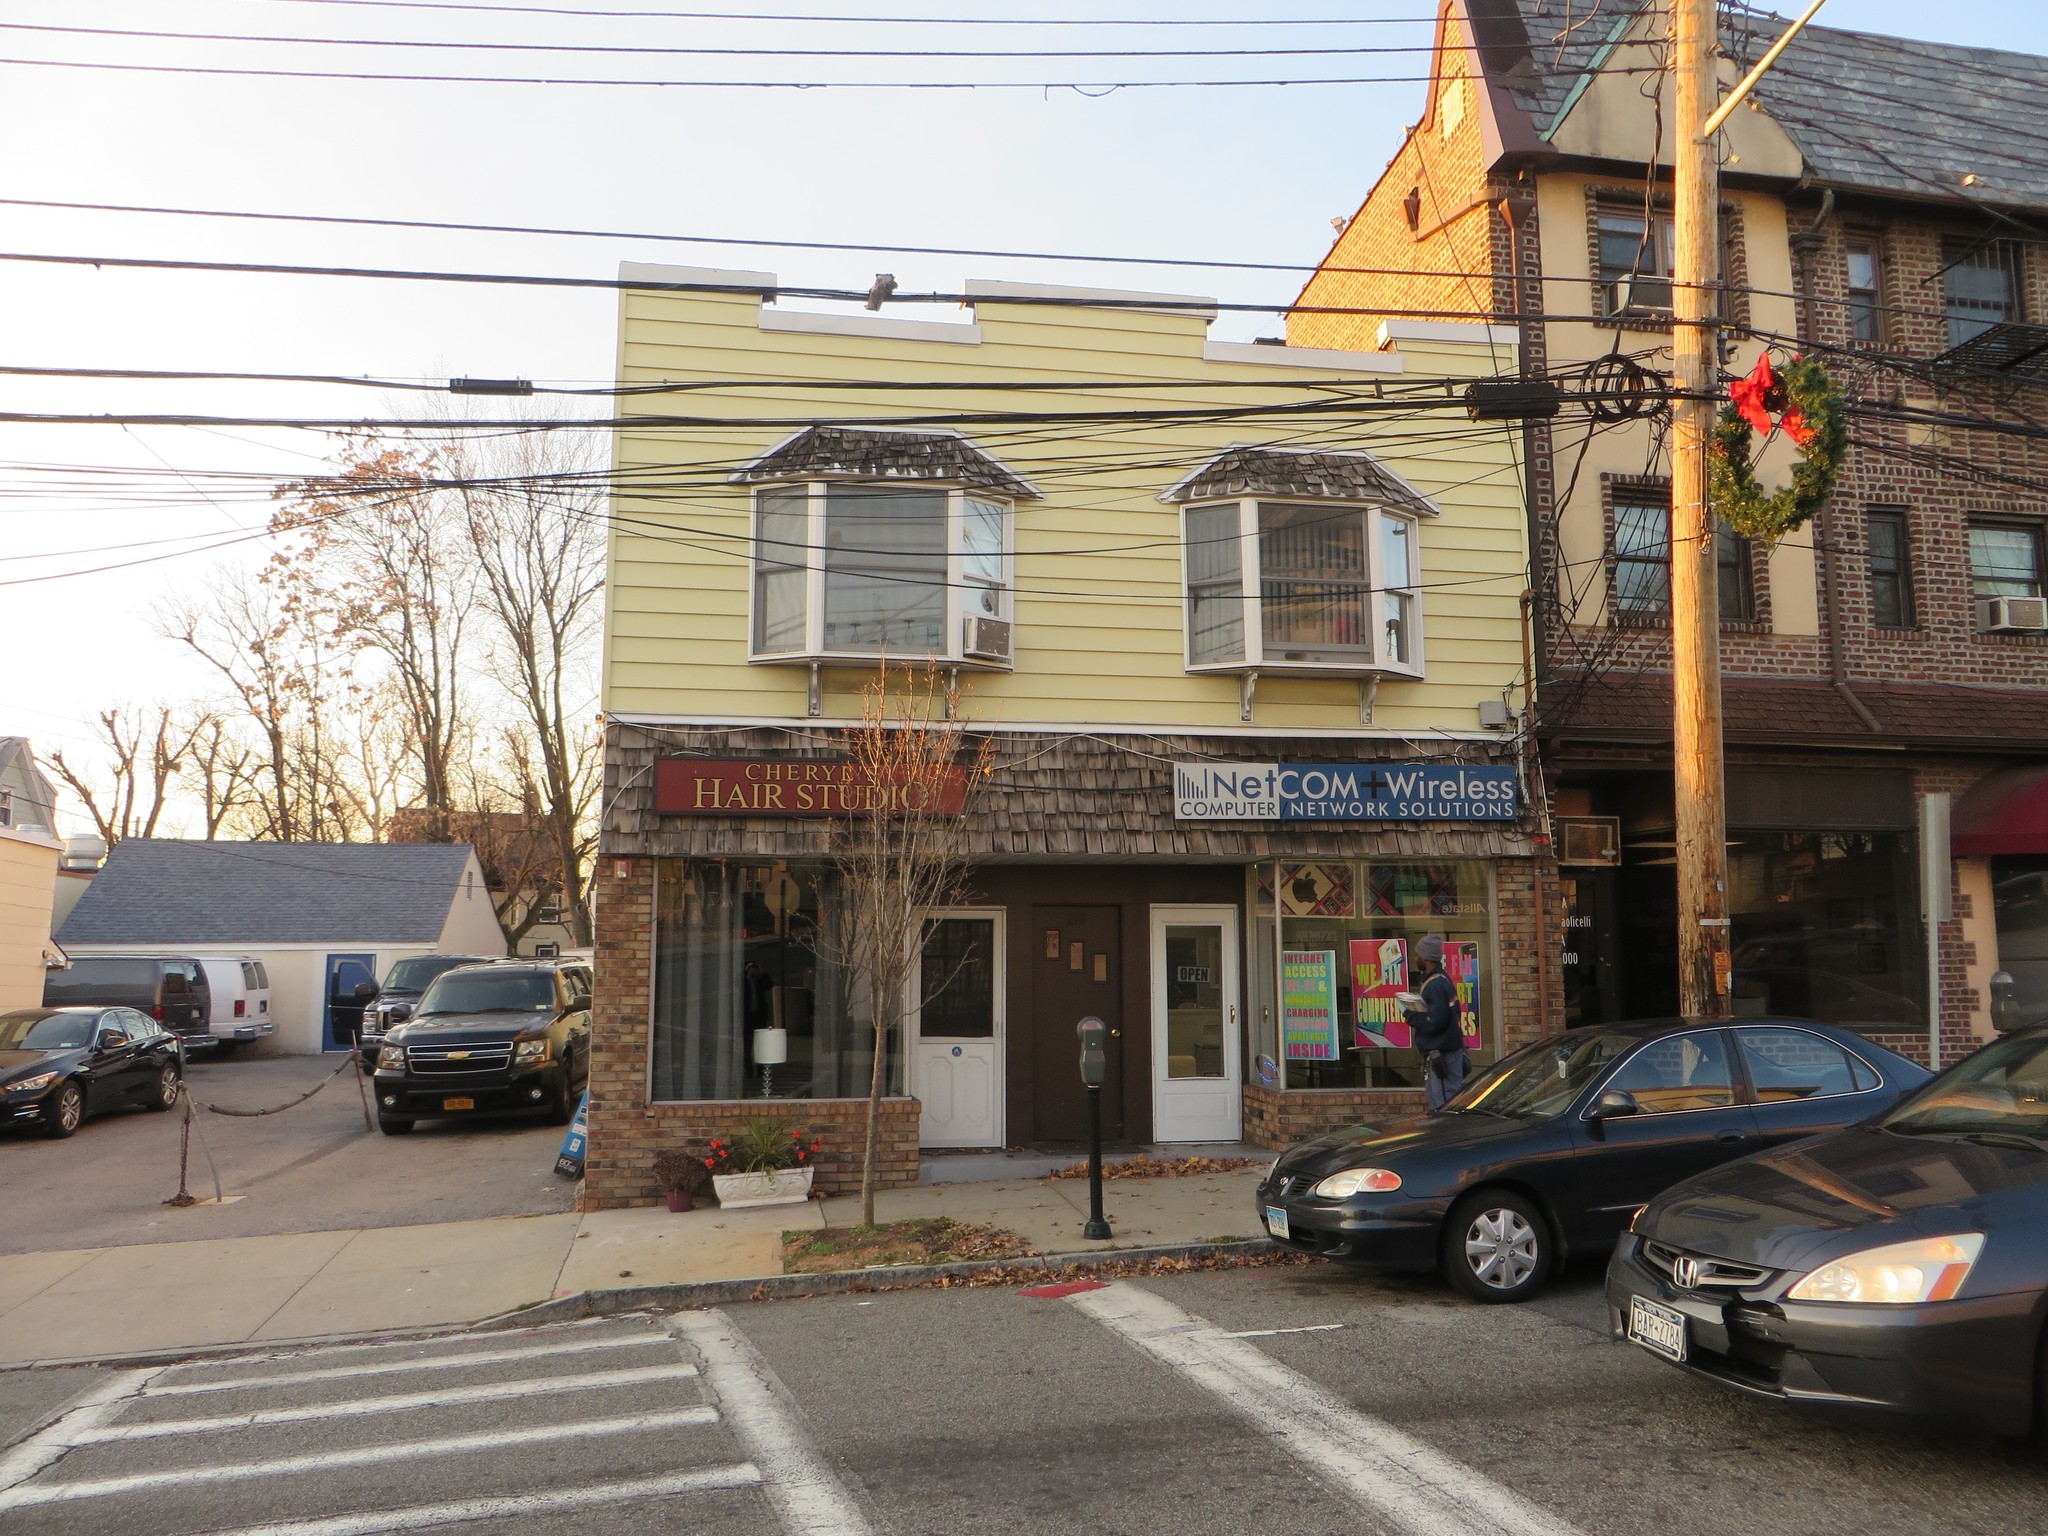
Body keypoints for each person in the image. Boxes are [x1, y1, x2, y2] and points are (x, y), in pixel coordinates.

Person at [1407, 935, 1466, 1110]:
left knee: (1443, 1106)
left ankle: (1448, 1136)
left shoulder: (1434, 985)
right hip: (1445, 1052)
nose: (1414, 957)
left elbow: (1435, 1022)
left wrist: (1410, 1014)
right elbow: (1453, 1013)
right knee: (1444, 1101)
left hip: (1441, 1054)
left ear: (1426, 957)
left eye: (1417, 954)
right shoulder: (1442, 980)